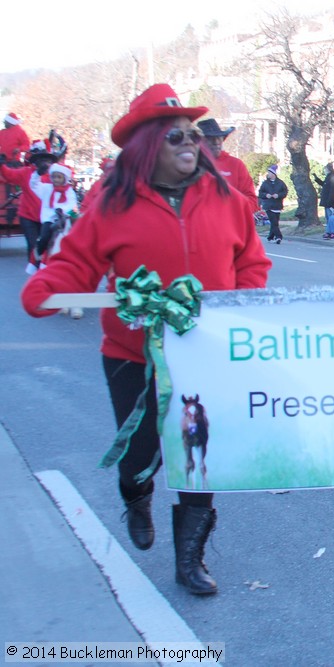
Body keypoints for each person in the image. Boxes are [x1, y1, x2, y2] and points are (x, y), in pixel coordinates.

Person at [20, 83, 271, 596]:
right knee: (139, 456)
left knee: (197, 457)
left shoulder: (227, 199)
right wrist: (47, 287)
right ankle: (135, 496)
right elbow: (77, 262)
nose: (191, 143)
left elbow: (252, 263)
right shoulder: (111, 203)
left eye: (193, 135)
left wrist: (237, 310)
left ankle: (190, 560)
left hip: (203, 357)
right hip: (131, 355)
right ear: (146, 146)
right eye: (176, 135)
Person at [1, 140, 57, 273]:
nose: (43, 162)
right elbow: (9, 175)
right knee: (34, 246)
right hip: (28, 217)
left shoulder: (55, 175)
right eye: (39, 159)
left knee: (48, 246)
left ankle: (45, 272)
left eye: (45, 158)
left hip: (47, 218)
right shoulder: (25, 173)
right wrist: (1, 166)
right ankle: (35, 273)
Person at [197, 118, 256, 205]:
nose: (216, 142)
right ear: (199, 142)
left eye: (219, 137)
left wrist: (229, 211)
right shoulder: (191, 166)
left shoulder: (236, 165)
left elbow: (251, 201)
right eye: (210, 138)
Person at [33, 162, 79, 260]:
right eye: (54, 177)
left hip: (64, 219)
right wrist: (37, 174)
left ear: (64, 178)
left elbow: (72, 206)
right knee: (45, 237)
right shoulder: (46, 188)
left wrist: (65, 213)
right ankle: (39, 254)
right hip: (49, 219)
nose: (56, 180)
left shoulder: (69, 191)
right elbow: (34, 185)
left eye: (59, 177)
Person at [258, 164, 287, 244]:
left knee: (275, 222)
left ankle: (270, 237)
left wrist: (278, 195)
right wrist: (266, 195)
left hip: (277, 205)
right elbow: (260, 193)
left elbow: (284, 192)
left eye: (269, 172)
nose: (268, 174)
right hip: (268, 205)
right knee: (273, 222)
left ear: (273, 174)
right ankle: (278, 237)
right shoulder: (265, 183)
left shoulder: (280, 183)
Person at [313, 162, 334, 238]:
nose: (324, 171)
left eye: (325, 169)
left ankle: (333, 232)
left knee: (331, 217)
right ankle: (329, 231)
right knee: (328, 217)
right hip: (326, 201)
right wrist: (316, 178)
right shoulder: (328, 177)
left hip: (329, 201)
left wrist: (329, 201)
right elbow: (324, 184)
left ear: (328, 169)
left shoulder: (332, 177)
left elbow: (332, 190)